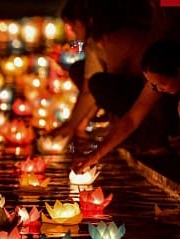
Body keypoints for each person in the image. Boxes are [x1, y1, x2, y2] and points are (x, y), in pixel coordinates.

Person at [73, 36, 180, 190]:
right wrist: (96, 155)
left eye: (160, 84)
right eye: (152, 85)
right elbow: (132, 118)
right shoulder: (165, 77)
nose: (156, 89)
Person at [47, 0, 164, 150]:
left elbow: (106, 89)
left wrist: (106, 141)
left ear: (88, 21)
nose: (72, 33)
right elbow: (88, 90)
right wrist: (73, 125)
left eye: (73, 26)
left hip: (151, 95)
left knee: (101, 84)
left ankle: (140, 134)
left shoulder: (115, 40)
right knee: (79, 70)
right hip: (131, 89)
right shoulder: (94, 44)